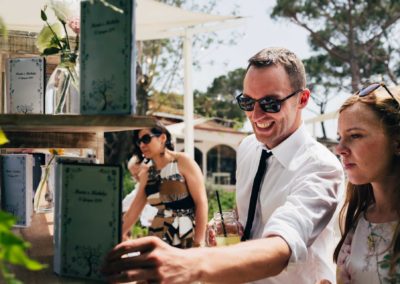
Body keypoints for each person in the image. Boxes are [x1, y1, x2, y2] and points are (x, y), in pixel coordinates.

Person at [102, 47, 344, 283]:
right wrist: (226, 227)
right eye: (248, 102)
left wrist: (191, 261)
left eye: (271, 103)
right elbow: (248, 220)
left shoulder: (321, 167)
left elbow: (283, 245)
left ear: (302, 99)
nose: (256, 116)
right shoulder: (249, 147)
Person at [333, 83, 400, 283]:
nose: (340, 148)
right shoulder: (358, 219)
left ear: (397, 142)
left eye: (355, 135)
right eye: (340, 137)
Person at [121, 121, 208, 248]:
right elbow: (132, 213)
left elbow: (201, 203)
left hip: (186, 238)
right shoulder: (147, 173)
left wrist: (198, 243)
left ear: (162, 138)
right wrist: (111, 238)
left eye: (146, 139)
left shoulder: (183, 161)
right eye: (138, 141)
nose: (141, 145)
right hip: (158, 240)